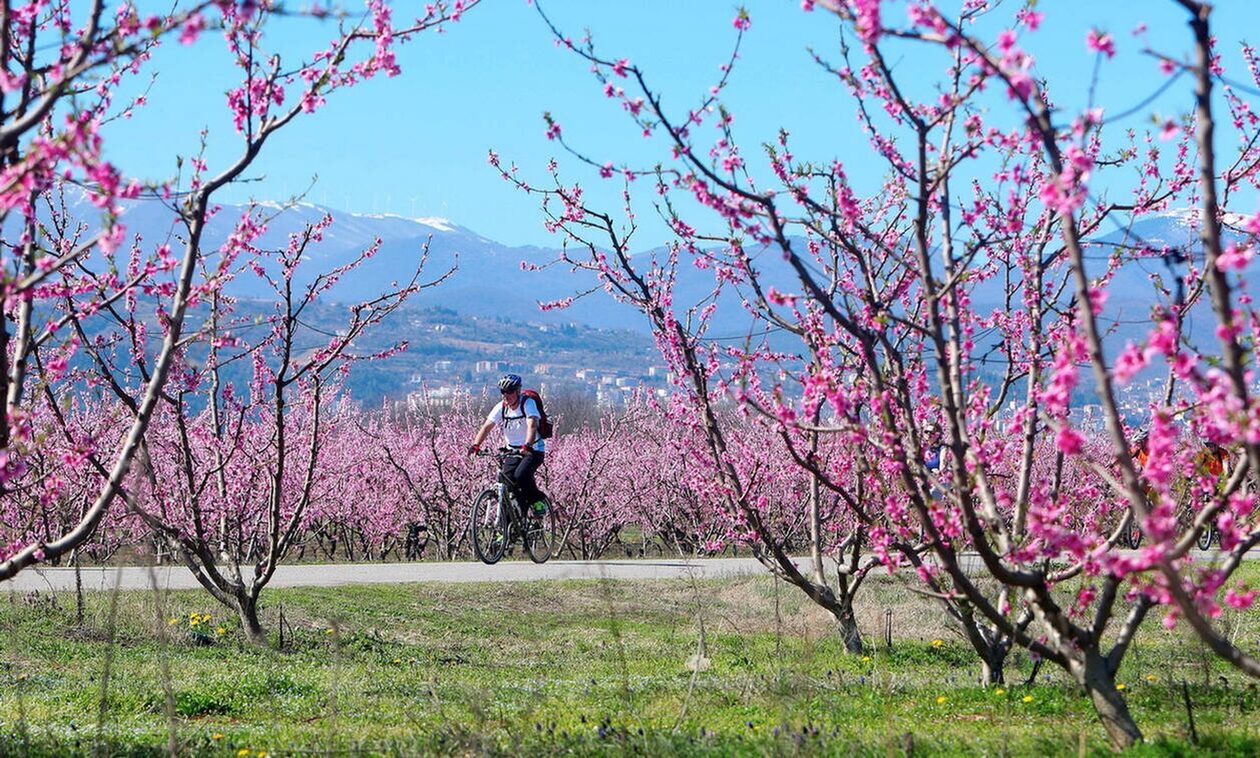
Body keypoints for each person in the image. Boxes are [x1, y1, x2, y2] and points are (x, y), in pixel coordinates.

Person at [468, 373, 548, 515]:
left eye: (510, 392)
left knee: (521, 475)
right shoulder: (501, 407)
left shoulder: (527, 403)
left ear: (518, 391)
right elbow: (487, 426)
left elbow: (532, 425)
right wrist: (475, 445)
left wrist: (527, 445)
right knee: (505, 484)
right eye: (503, 392)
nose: (506, 395)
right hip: (512, 451)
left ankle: (537, 500)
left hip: (533, 449)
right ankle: (508, 528)